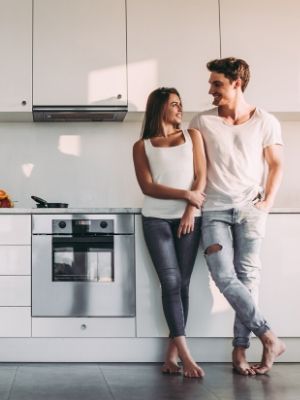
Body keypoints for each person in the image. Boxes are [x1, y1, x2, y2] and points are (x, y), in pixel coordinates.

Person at [189, 57, 285, 375]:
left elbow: (275, 164)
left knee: (248, 279)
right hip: (214, 210)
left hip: (251, 210)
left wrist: (267, 202)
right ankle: (269, 336)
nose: (211, 90)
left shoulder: (266, 121)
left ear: (236, 83)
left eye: (216, 83)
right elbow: (197, 172)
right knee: (224, 276)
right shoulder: (200, 122)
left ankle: (240, 350)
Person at [133, 87, 206, 378]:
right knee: (171, 281)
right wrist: (186, 195)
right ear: (160, 108)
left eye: (180, 103)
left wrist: (190, 207)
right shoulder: (142, 145)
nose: (179, 108)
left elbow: (202, 176)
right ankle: (186, 356)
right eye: (174, 104)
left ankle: (170, 355)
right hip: (155, 219)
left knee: (183, 284)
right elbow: (147, 187)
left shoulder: (192, 136)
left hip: (190, 219)